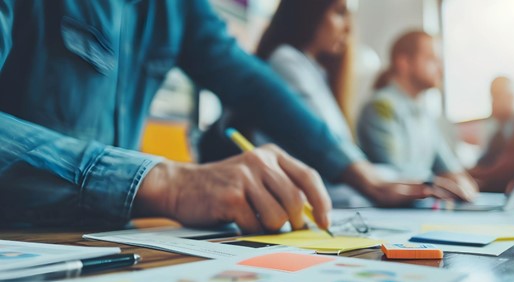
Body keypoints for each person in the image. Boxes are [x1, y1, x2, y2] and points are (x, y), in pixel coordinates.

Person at [0, 0, 444, 231]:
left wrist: (357, 170)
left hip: (109, 241)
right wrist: (169, 183)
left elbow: (250, 82)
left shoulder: (177, 8)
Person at [255, 0, 473, 204]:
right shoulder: (287, 61)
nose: (349, 29)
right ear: (308, 10)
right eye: (340, 13)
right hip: (317, 203)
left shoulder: (315, 72)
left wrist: (453, 180)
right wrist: (430, 184)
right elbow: (332, 149)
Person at [357, 30, 478, 197]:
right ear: (404, 62)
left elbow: (449, 166)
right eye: (431, 59)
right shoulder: (380, 106)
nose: (441, 69)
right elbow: (399, 174)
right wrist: (442, 184)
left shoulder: (424, 113)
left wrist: (462, 182)